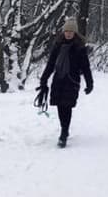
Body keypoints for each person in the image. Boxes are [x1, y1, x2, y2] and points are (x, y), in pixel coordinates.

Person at [36, 17, 93, 148]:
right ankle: (64, 129)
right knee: (60, 107)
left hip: (72, 81)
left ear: (75, 33)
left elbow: (86, 67)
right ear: (63, 32)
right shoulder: (58, 45)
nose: (68, 33)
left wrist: (90, 83)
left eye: (71, 31)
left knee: (67, 106)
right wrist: (44, 79)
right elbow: (50, 64)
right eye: (66, 31)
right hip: (59, 80)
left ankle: (64, 132)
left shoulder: (79, 48)